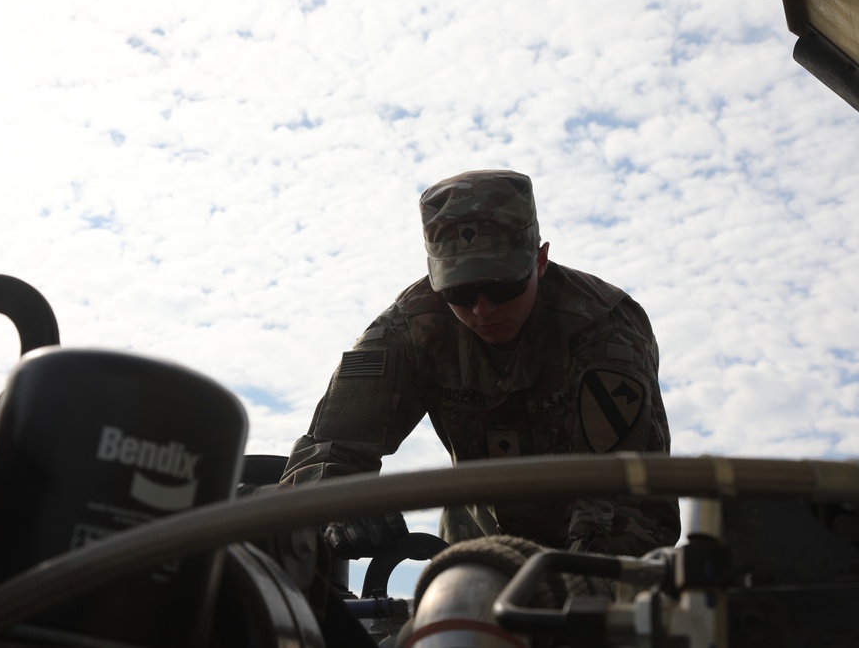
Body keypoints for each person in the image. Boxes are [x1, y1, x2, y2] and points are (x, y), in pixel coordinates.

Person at [281, 169, 680, 559]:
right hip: (474, 549)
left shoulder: (605, 330)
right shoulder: (408, 329)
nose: (482, 309)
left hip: (609, 543)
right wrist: (341, 498)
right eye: (460, 291)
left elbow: (614, 492)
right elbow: (328, 450)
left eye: (502, 287)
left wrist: (575, 587)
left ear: (540, 262)